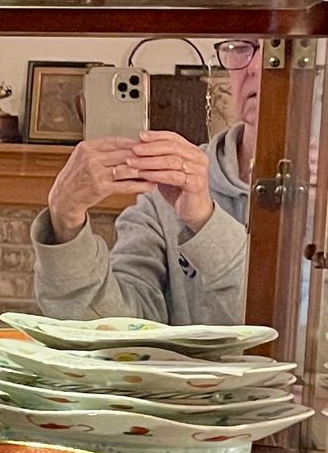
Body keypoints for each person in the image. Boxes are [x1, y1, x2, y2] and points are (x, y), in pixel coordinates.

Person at [30, 40, 261, 323]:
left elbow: (286, 326)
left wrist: (206, 221)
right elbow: (113, 326)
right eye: (241, 46)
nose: (256, 67)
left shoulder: (326, 193)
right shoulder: (170, 191)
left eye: (274, 48)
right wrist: (64, 220)